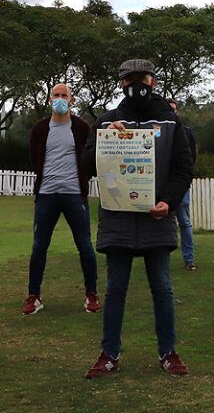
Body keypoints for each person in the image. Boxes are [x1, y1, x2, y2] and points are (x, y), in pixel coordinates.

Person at [81, 59, 194, 378]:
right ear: (120, 83)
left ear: (153, 81)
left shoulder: (172, 122)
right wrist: (105, 141)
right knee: (116, 288)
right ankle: (109, 354)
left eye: (141, 78)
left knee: (162, 287)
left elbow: (183, 168)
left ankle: (168, 352)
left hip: (156, 219)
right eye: (128, 79)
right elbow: (87, 164)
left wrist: (168, 202)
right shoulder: (106, 122)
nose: (135, 84)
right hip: (118, 220)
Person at [22, 83, 99, 315]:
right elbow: (35, 157)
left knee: (84, 245)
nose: (59, 99)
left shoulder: (83, 127)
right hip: (46, 194)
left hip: (75, 195)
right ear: (49, 100)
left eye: (64, 95)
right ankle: (34, 296)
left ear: (72, 100)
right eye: (55, 95)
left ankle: (91, 294)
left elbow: (90, 156)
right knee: (39, 247)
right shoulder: (40, 128)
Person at [166, 98, 197, 271]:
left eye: (174, 109)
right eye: (169, 109)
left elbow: (191, 159)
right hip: (161, 185)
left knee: (184, 222)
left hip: (181, 185)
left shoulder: (187, 132)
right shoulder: (157, 131)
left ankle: (189, 259)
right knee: (162, 223)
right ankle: (161, 259)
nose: (172, 112)